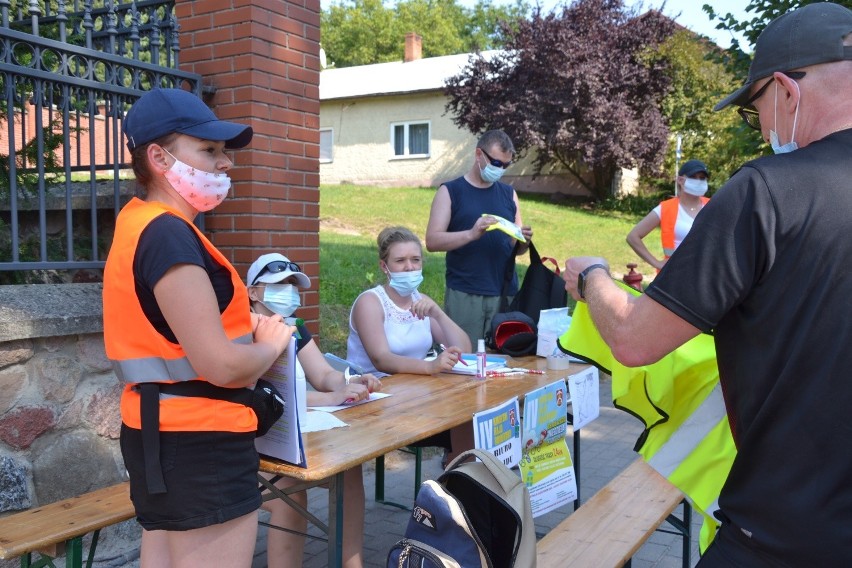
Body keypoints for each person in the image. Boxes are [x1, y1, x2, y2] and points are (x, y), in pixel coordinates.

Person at [563, 3, 852, 564]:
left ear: (787, 92)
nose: (763, 128)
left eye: (756, 109)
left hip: (784, 533)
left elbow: (635, 340)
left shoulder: (766, 191)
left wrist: (593, 276)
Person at [103, 88, 296, 567]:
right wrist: (269, 346)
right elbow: (222, 365)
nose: (225, 162)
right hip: (200, 442)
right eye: (208, 150)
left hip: (159, 435)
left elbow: (173, 332)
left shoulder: (141, 223)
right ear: (158, 157)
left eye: (224, 151)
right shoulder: (169, 234)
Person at [246, 253, 382, 568]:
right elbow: (266, 397)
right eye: (280, 283)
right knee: (290, 492)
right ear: (253, 292)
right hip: (251, 444)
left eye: (294, 284)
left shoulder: (295, 327)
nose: (289, 291)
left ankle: (352, 563)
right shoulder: (242, 330)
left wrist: (350, 380)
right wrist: (333, 397)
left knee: (348, 468)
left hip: (292, 436)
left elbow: (322, 375)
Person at [347, 226, 474, 464]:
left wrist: (438, 314)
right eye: (400, 260)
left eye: (415, 260)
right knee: (461, 418)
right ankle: (455, 474)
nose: (409, 267)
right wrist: (430, 367)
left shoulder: (421, 301)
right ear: (384, 267)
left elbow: (464, 350)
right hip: (373, 397)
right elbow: (381, 359)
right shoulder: (371, 302)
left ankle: (460, 484)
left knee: (470, 413)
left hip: (415, 395)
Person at [425, 130, 533, 347]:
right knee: (465, 358)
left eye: (505, 165)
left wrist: (524, 241)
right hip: (466, 293)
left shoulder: (508, 194)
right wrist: (471, 234)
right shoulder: (450, 191)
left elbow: (516, 249)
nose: (500, 169)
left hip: (504, 294)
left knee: (504, 362)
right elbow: (432, 241)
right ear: (478, 154)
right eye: (495, 162)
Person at [626, 159, 711, 271]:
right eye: (693, 177)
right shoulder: (666, 208)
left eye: (702, 178)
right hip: (675, 275)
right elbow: (633, 237)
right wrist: (657, 263)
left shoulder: (712, 206)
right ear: (680, 180)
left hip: (706, 274)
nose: (698, 181)